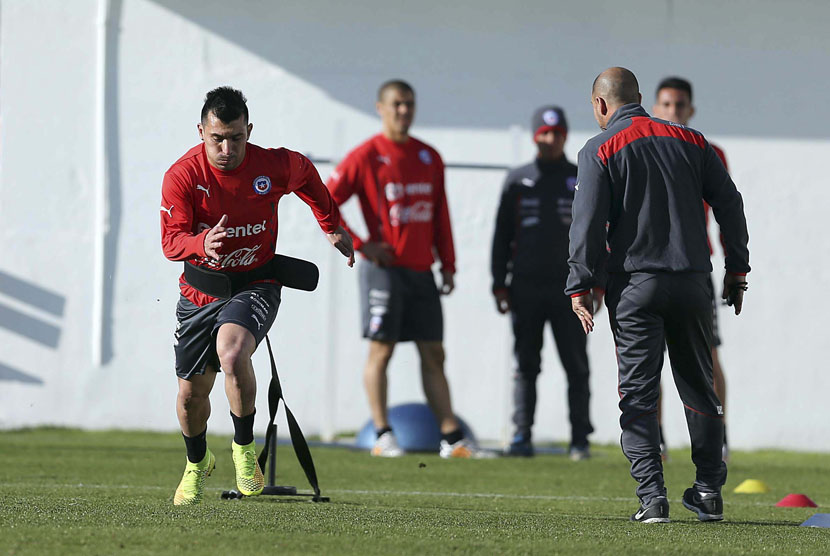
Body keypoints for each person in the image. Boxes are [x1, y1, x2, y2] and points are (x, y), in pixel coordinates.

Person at [566, 68, 749, 523]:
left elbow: (586, 225)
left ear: (600, 105)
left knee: (639, 396)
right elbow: (731, 203)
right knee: (700, 389)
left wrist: (580, 285)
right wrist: (737, 269)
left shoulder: (598, 148)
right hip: (692, 282)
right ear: (642, 98)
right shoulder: (694, 142)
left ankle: (653, 499)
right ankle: (708, 492)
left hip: (635, 287)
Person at [160, 86, 354, 505]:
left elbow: (309, 179)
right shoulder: (184, 176)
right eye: (217, 138)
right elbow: (170, 242)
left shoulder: (274, 164)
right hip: (200, 292)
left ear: (249, 130)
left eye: (236, 137)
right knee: (190, 396)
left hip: (256, 283)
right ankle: (197, 463)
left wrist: (331, 225)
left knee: (232, 354)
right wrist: (200, 244)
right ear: (201, 132)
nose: (227, 148)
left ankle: (245, 451)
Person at [327, 79, 487, 459]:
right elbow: (327, 203)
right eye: (397, 104)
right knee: (381, 351)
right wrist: (362, 244)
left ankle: (452, 439)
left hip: (422, 271)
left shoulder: (429, 157)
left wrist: (448, 263)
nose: (404, 111)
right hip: (383, 271)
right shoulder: (364, 157)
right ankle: (383, 434)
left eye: (409, 104)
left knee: (434, 353)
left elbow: (440, 215)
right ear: (380, 107)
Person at [491, 105, 598, 460]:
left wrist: (596, 284)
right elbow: (501, 235)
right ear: (536, 136)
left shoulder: (581, 175)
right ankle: (522, 436)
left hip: (571, 289)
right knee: (525, 363)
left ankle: (580, 440)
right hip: (525, 286)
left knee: (576, 365)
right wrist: (498, 283)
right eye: (544, 134)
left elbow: (597, 232)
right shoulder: (517, 179)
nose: (551, 140)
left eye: (557, 133)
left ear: (565, 136)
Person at [652, 76, 732, 462]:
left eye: (679, 105)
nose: (673, 112)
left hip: (695, 270)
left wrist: (735, 264)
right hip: (649, 269)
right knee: (648, 360)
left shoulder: (706, 150)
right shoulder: (641, 149)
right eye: (666, 105)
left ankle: (719, 437)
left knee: (708, 357)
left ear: (691, 110)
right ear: (655, 108)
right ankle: (656, 439)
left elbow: (726, 206)